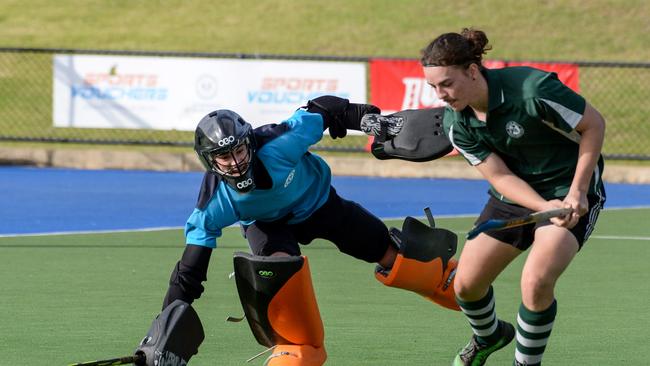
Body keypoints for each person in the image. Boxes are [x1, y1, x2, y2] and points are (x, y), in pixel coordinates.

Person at [152, 95, 460, 366]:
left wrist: (366, 118)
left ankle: (464, 290)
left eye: (239, 151)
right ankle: (295, 351)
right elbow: (190, 271)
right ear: (209, 162)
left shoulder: (281, 141)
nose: (235, 162)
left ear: (250, 142)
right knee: (278, 277)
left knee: (396, 256)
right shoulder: (214, 202)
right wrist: (163, 330)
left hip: (321, 204)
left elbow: (325, 110)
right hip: (268, 226)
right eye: (224, 156)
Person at [419, 28, 607, 366]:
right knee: (465, 285)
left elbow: (593, 125)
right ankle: (490, 336)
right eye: (433, 87)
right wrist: (542, 206)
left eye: (446, 83)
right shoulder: (456, 123)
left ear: (472, 71)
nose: (440, 95)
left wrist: (577, 191)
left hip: (569, 187)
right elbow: (500, 176)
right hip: (516, 194)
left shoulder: (531, 90)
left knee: (535, 281)